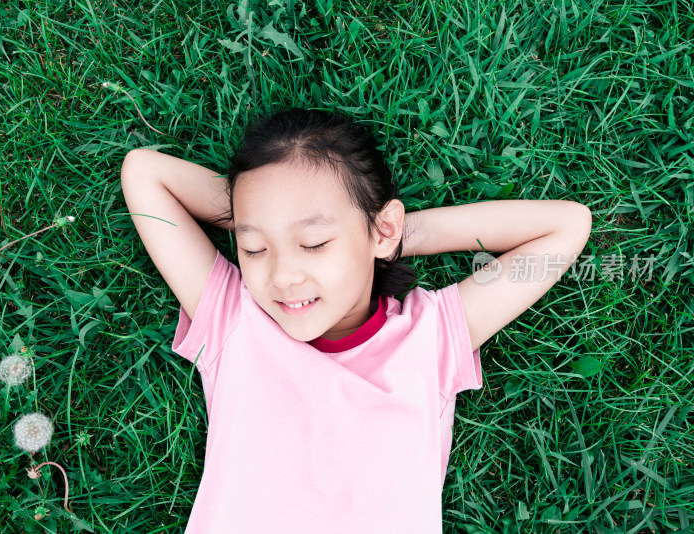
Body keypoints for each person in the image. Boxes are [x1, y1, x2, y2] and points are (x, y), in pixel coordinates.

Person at [120, 108, 592, 532]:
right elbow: (145, 174)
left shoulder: (430, 339)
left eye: (314, 243)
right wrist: (260, 212)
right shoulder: (236, 321)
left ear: (384, 228)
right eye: (255, 248)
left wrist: (388, 235)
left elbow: (566, 227)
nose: (282, 276)